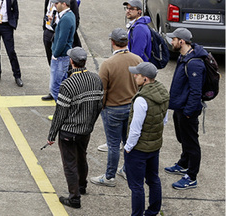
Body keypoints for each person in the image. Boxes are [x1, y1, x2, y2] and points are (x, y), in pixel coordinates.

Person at [46, 47, 104, 209]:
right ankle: (82, 186)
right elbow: (99, 104)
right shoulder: (95, 79)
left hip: (68, 132)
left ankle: (74, 198)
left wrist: (51, 135)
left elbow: (60, 113)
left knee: (69, 164)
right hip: (86, 130)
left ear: (71, 62)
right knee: (82, 157)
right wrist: (90, 124)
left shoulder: (68, 84)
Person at [90, 28, 142, 187]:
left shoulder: (107, 64)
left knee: (113, 145)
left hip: (112, 109)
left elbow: (102, 91)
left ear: (112, 42)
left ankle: (109, 176)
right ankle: (126, 170)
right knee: (129, 143)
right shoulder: (138, 59)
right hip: (131, 108)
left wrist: (101, 107)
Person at [164, 28, 207, 190]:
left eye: (173, 39)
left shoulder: (194, 62)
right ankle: (183, 163)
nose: (171, 42)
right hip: (180, 107)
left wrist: (189, 112)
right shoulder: (184, 56)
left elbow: (196, 92)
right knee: (183, 139)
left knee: (191, 143)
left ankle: (191, 176)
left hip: (188, 110)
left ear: (181, 41)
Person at [125, 62, 169, 216]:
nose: (134, 76)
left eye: (137, 74)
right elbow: (164, 119)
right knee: (153, 179)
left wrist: (128, 147)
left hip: (139, 150)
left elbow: (135, 129)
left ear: (145, 79)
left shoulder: (141, 99)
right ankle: (153, 210)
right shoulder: (162, 91)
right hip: (154, 146)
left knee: (136, 186)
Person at [42, 0, 81, 101]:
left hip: (61, 35)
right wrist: (46, 26)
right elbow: (46, 12)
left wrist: (63, 32)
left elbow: (75, 20)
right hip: (49, 32)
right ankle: (54, 92)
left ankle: (66, 93)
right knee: (52, 64)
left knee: (64, 68)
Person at [49, 0, 76, 101]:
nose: (55, 5)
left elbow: (62, 39)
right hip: (63, 56)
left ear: (64, 4)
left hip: (60, 56)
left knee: (55, 86)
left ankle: (60, 112)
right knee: (62, 83)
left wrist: (55, 54)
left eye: (57, 3)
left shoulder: (66, 19)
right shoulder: (69, 15)